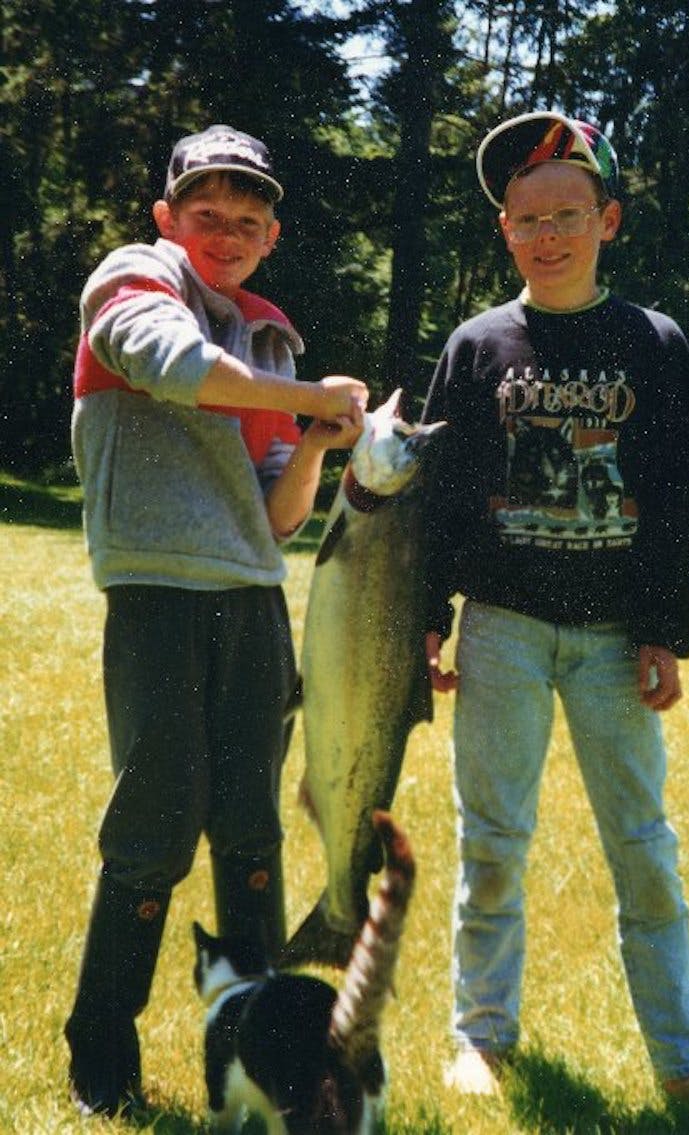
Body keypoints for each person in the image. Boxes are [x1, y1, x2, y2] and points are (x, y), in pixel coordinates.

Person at [422, 110, 689, 1121]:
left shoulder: (652, 343)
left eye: (568, 212)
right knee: (491, 840)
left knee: (642, 847)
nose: (548, 233)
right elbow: (435, 495)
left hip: (614, 638)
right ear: (504, 231)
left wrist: (665, 630)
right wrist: (423, 618)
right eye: (527, 218)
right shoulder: (477, 347)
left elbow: (677, 494)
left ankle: (681, 1065)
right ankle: (479, 1036)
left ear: (606, 219)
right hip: (503, 627)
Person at [65, 123, 368, 1118]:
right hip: (155, 591)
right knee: (156, 821)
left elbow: (278, 510)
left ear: (272, 233)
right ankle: (100, 1044)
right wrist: (304, 394)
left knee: (249, 828)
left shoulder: (268, 334)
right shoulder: (132, 278)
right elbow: (171, 364)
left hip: (249, 599)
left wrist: (315, 442)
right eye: (206, 215)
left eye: (247, 220)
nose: (226, 233)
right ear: (167, 217)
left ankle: (269, 1039)